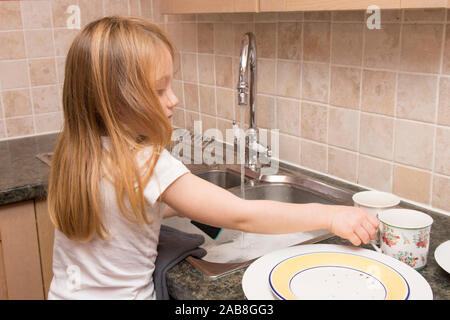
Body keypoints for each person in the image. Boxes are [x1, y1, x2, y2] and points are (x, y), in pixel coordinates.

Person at [47, 16, 379, 300]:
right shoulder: (147, 162)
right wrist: (331, 215)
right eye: (160, 90)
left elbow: (122, 212)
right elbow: (243, 216)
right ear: (116, 100)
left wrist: (184, 204)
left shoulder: (76, 152)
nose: (174, 99)